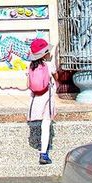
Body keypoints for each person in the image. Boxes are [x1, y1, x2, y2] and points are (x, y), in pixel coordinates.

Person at [27, 37, 58, 165]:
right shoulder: (49, 65)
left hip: (36, 98)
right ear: (44, 53)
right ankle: (44, 153)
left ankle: (40, 145)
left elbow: (27, 84)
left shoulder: (30, 67)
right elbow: (56, 77)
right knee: (46, 124)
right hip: (47, 98)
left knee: (40, 123)